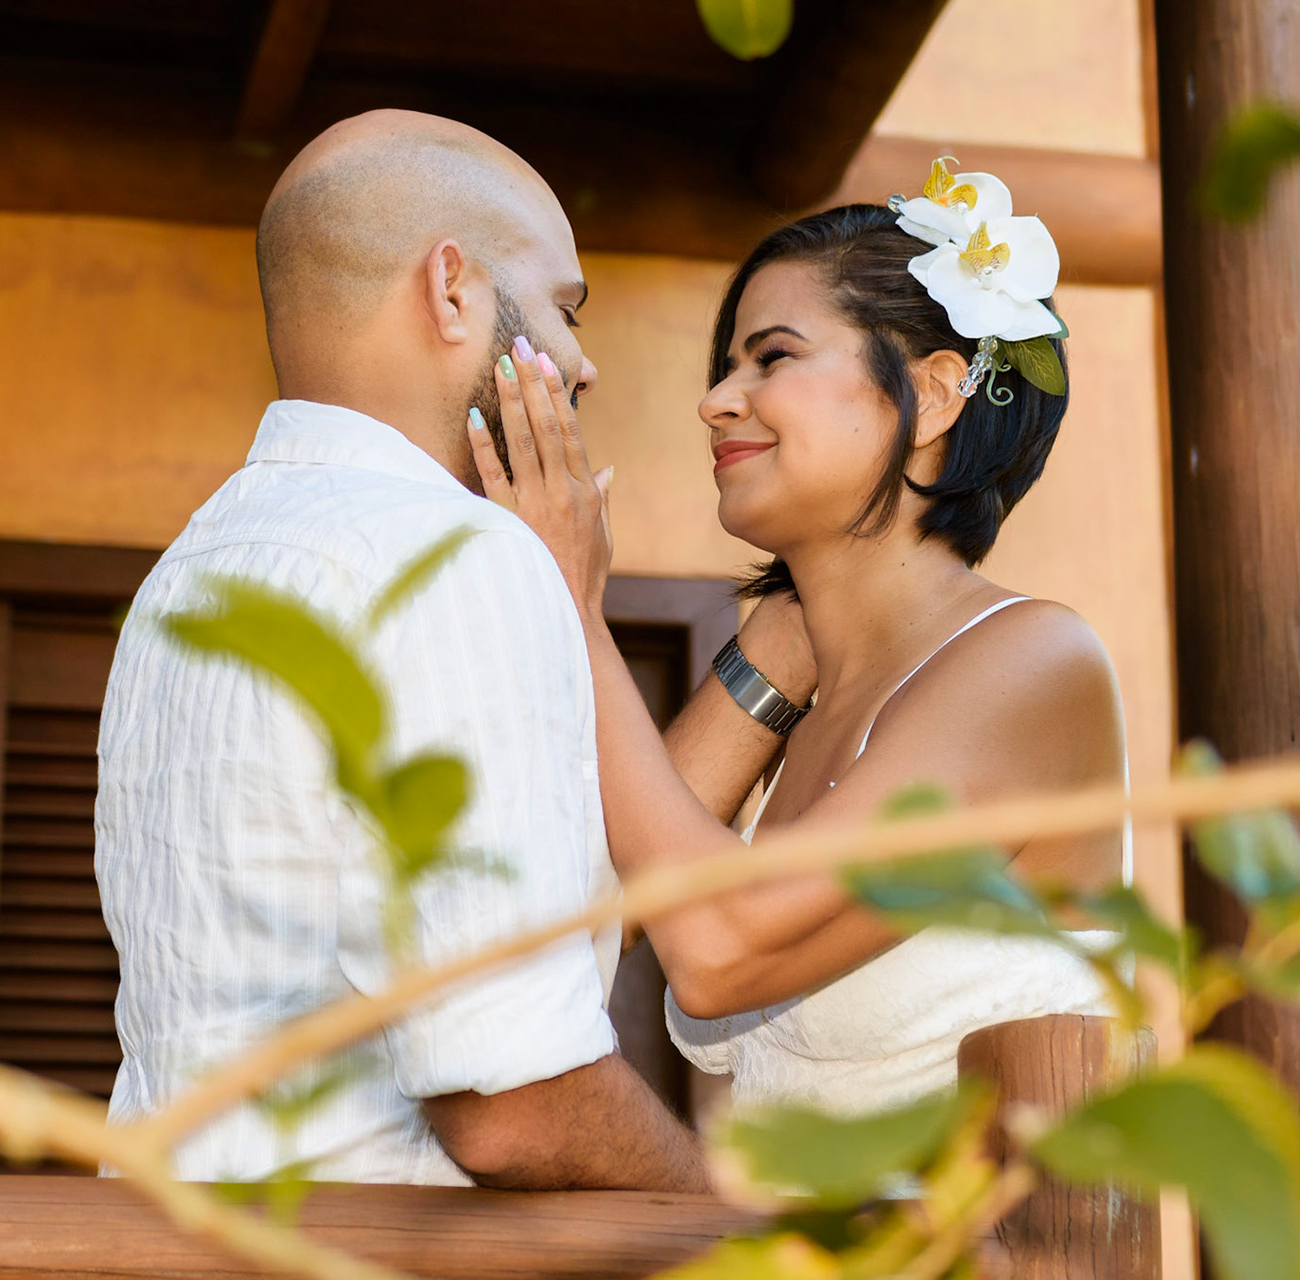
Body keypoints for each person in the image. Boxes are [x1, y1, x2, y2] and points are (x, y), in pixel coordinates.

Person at [96, 109, 816, 1189]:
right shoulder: (457, 558)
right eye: (567, 309)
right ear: (452, 289)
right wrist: (729, 1231)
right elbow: (511, 1103)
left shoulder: (186, 576)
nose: (584, 366)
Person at [472, 176, 1126, 1116]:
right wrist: (774, 658)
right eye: (725, 366)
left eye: (771, 357)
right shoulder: (803, 681)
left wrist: (576, 607)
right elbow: (583, 918)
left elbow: (719, 948)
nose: (717, 402)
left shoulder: (1032, 662)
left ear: (937, 395)